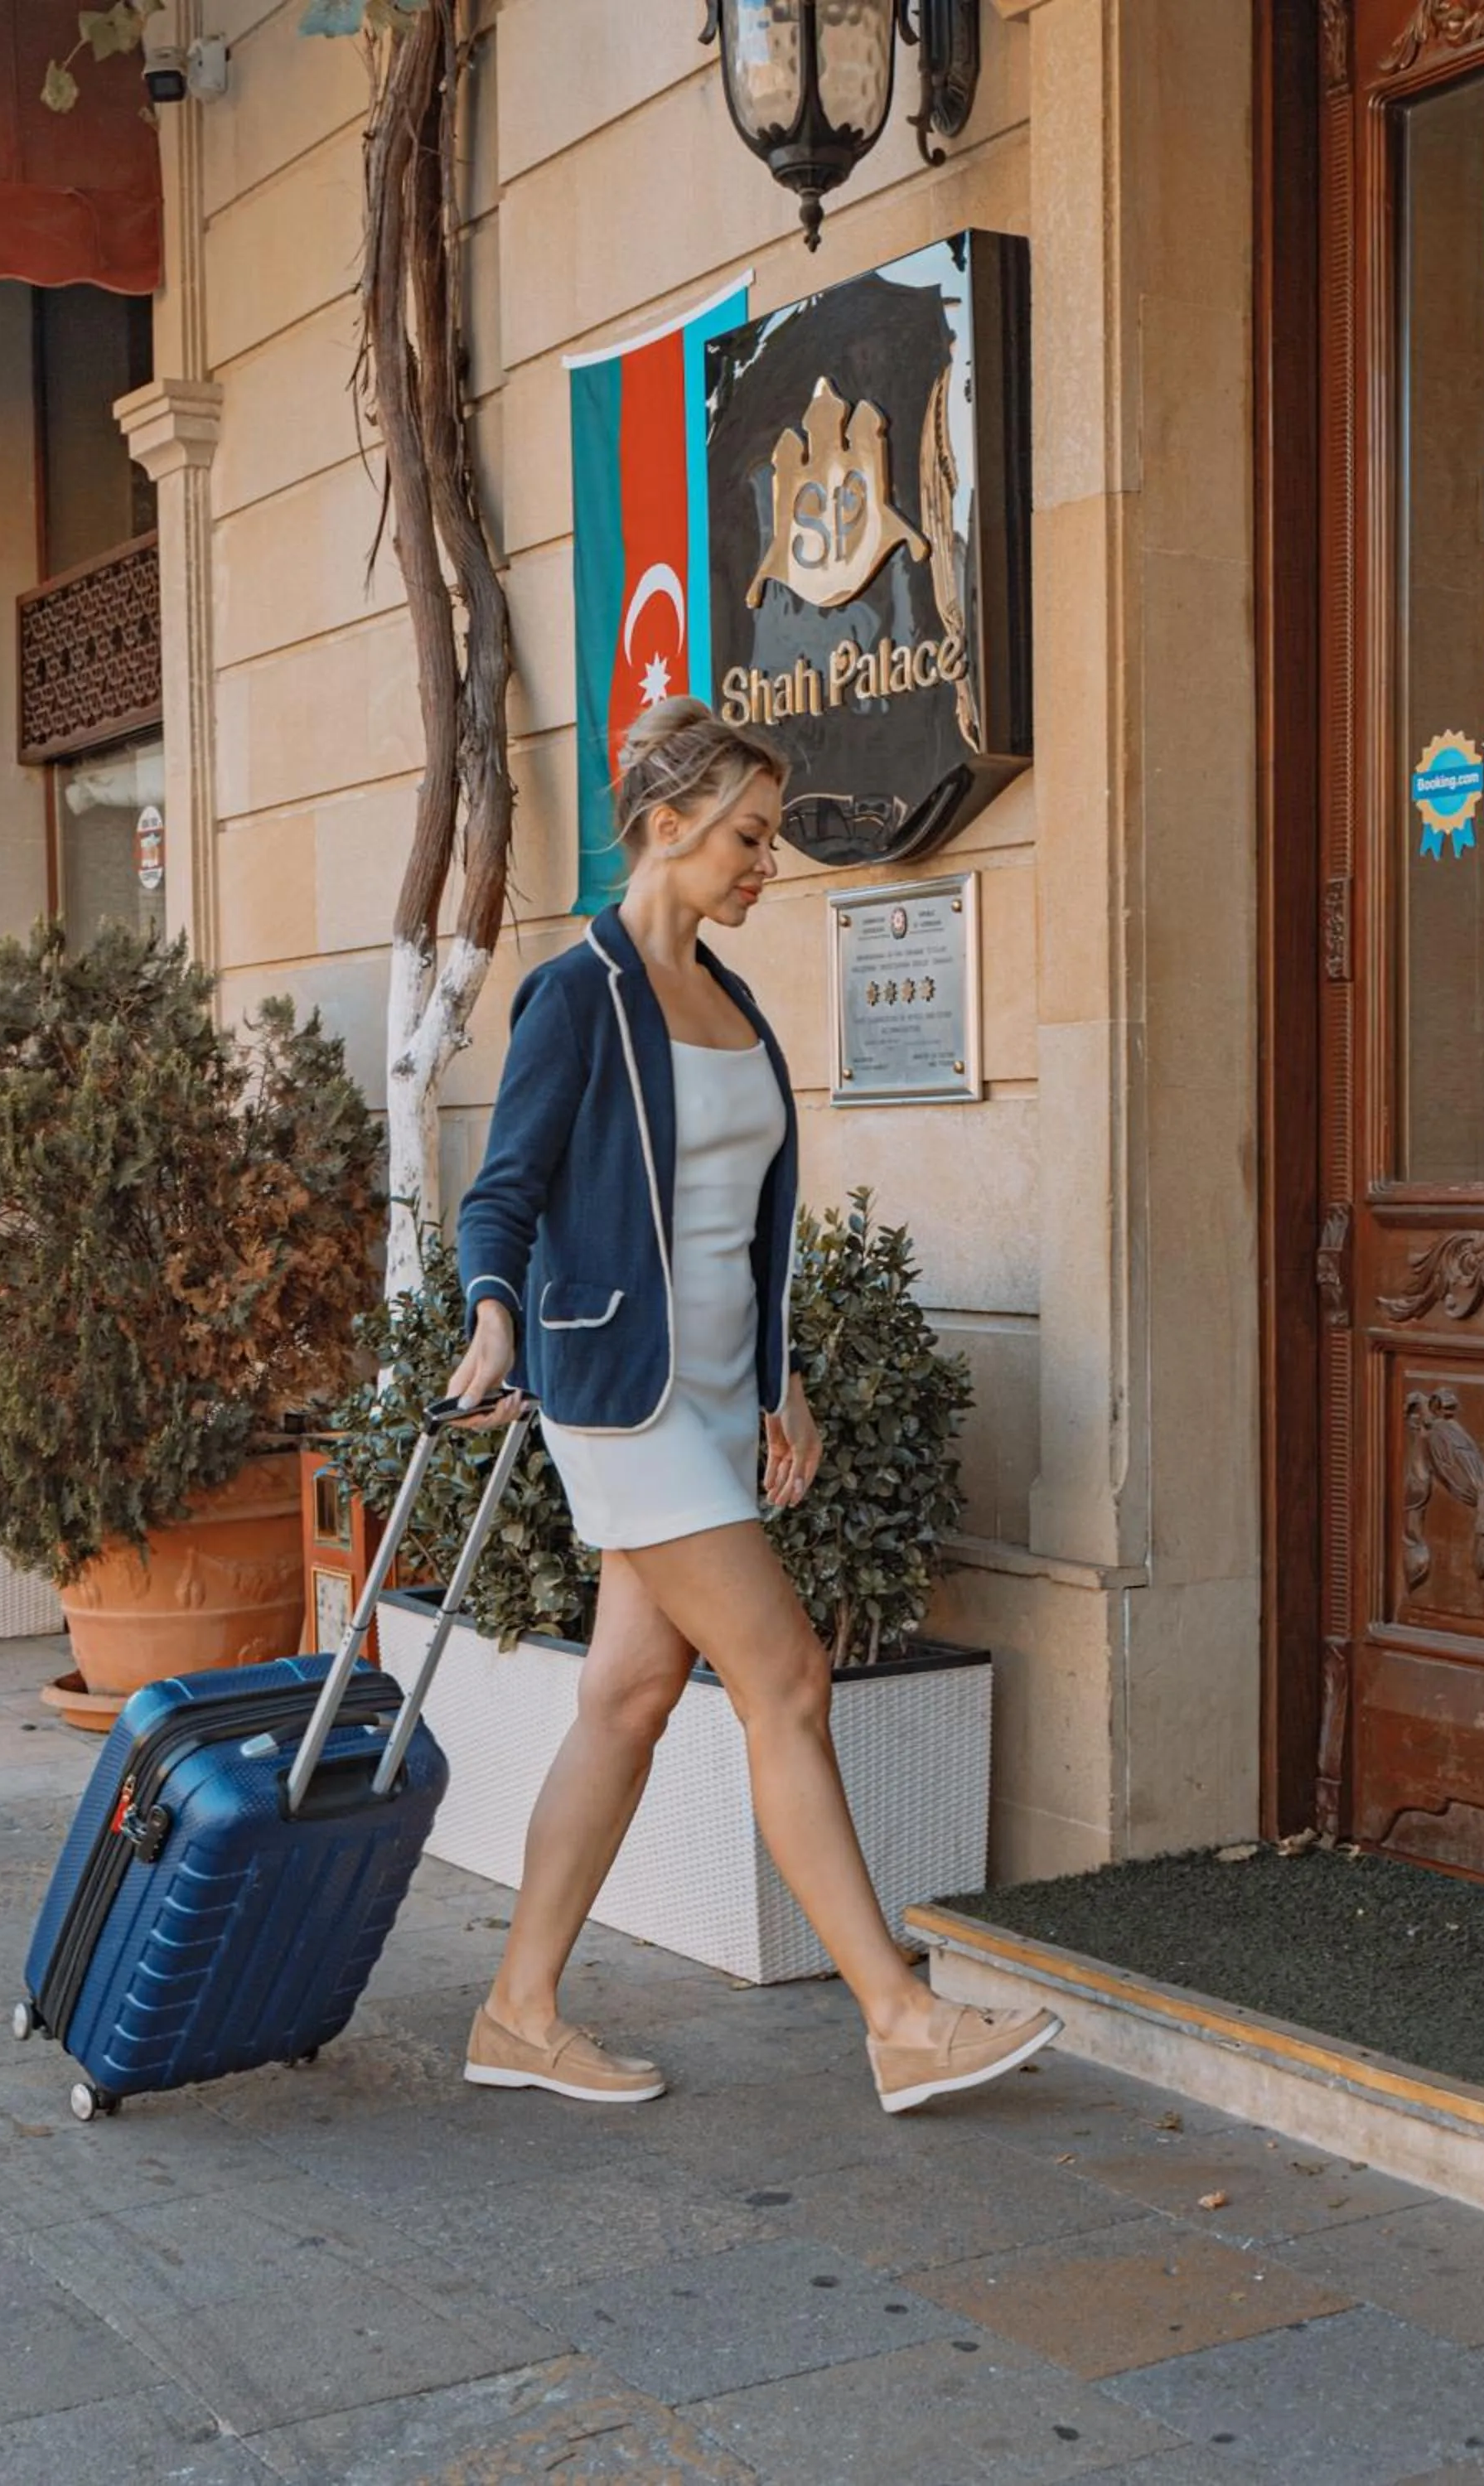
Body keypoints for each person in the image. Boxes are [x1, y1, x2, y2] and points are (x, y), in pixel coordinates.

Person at [441, 694, 1058, 2112]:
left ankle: (518, 2012)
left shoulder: (730, 999)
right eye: (749, 838)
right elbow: (504, 1194)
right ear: (667, 826)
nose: (767, 866)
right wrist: (491, 1317)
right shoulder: (578, 995)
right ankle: (900, 2017)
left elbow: (739, 1224)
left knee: (626, 1700)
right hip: (627, 1404)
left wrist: (782, 1378)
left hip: (720, 1397)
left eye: (770, 840)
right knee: (784, 1679)